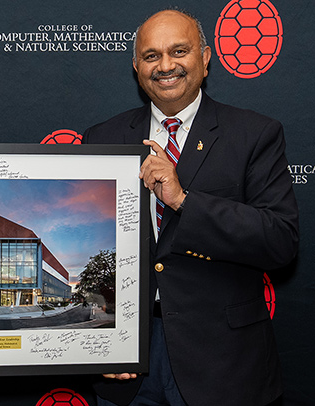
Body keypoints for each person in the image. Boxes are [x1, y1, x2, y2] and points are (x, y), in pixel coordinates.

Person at [83, 8, 299, 406]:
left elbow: (280, 242)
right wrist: (102, 344)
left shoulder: (255, 134)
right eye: (151, 56)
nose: (166, 66)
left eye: (179, 51)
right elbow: (93, 247)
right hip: (129, 369)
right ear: (136, 66)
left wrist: (184, 201)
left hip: (224, 365)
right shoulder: (103, 137)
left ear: (205, 56)